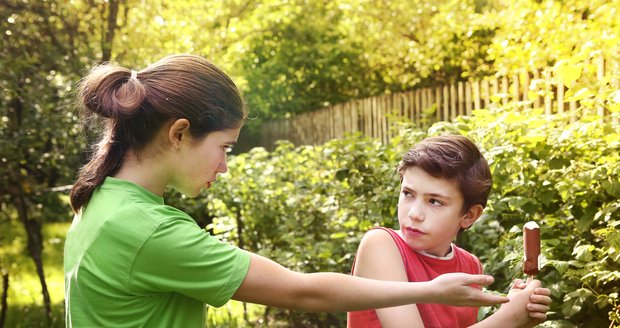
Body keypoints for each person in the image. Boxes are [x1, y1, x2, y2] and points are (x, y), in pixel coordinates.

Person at [64, 54, 511, 327]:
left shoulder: (102, 199)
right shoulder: (148, 230)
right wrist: (430, 290)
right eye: (224, 147)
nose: (224, 165)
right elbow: (303, 292)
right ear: (179, 133)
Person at [347, 135, 552, 328]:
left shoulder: (470, 266)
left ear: (469, 215)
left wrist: (515, 306)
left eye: (434, 201)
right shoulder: (381, 245)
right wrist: (508, 318)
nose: (414, 213)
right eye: (408, 193)